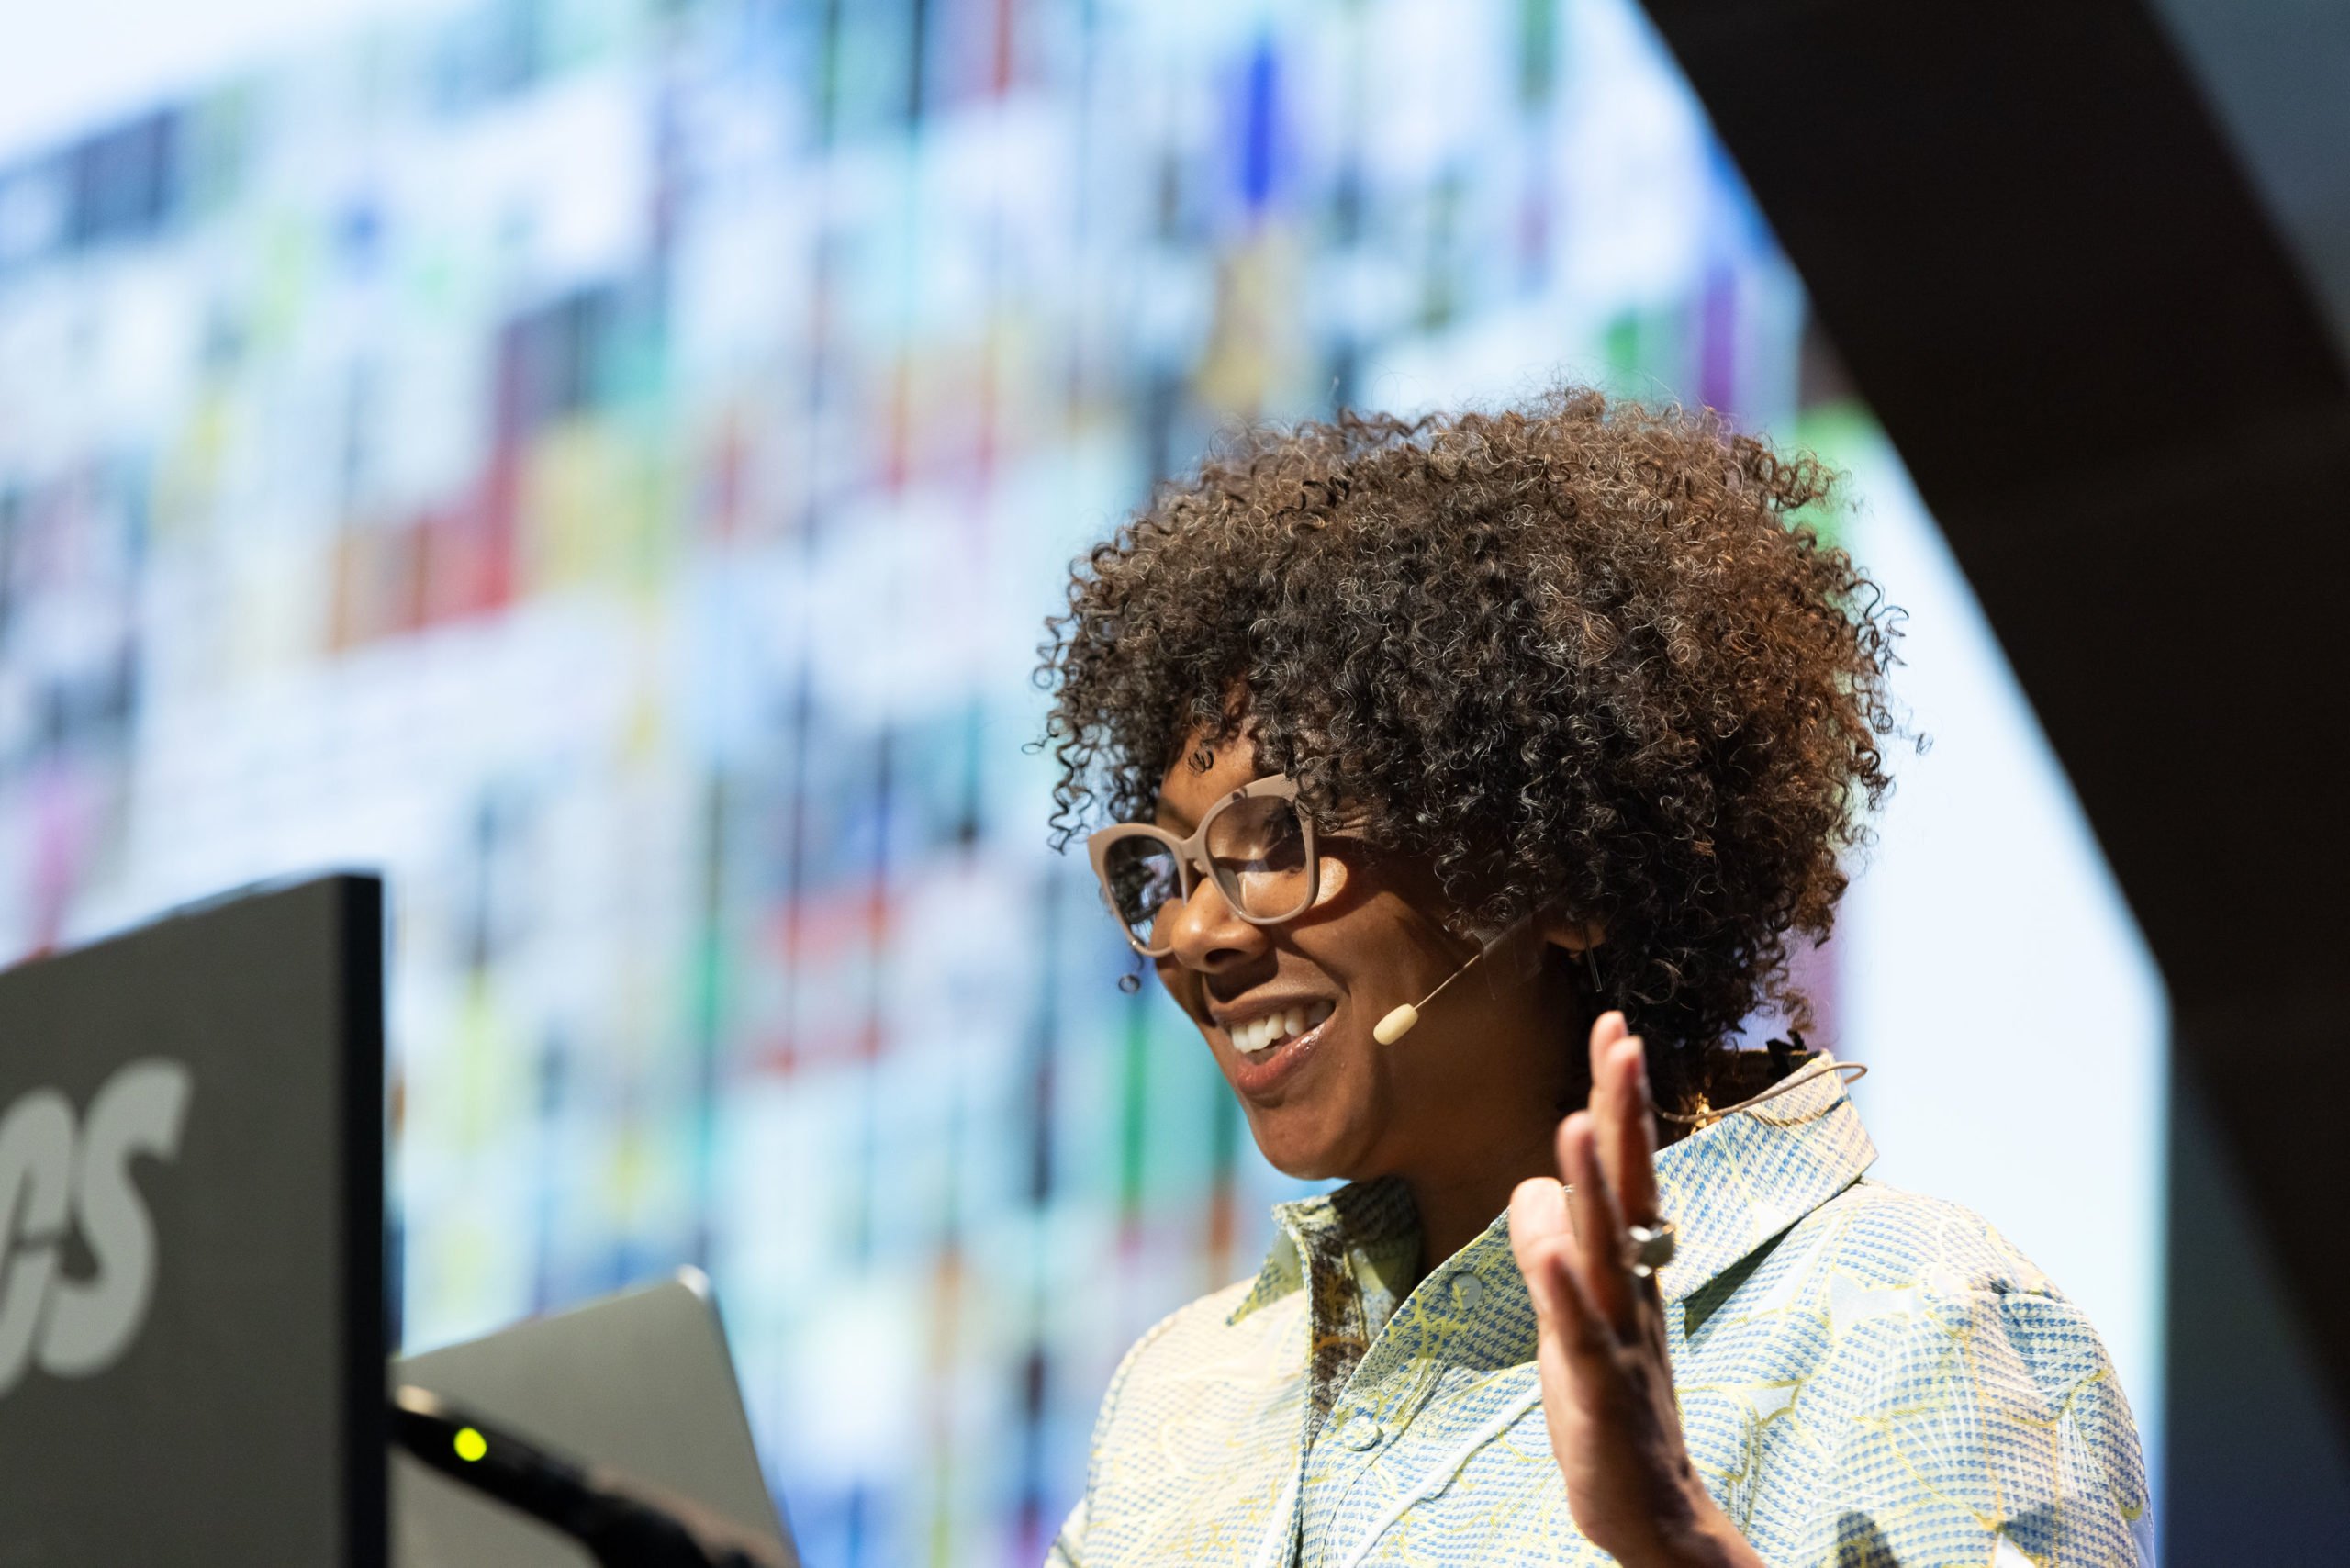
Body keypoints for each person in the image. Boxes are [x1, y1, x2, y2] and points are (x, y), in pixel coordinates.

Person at [1036, 389, 2152, 1568]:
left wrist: (1677, 1542)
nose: (1199, 929)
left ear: (1555, 875)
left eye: (1276, 840)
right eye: (1169, 865)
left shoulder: (1899, 1317)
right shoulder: (1189, 1390)